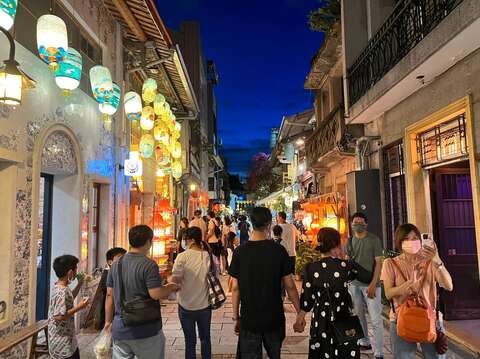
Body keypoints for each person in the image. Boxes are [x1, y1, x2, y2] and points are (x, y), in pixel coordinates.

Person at [229, 207, 301, 358]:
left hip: (249, 318)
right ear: (269, 224)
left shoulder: (240, 252)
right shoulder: (279, 251)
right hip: (274, 318)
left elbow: (235, 289)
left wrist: (235, 317)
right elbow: (290, 286)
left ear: (251, 223)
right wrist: (299, 312)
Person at [105, 225, 180, 359]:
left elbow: (110, 294)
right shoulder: (148, 265)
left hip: (121, 328)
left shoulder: (116, 264)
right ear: (148, 242)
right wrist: (170, 287)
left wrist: (108, 321)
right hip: (146, 329)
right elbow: (155, 293)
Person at [382, 223, 453, 359]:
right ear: (400, 242)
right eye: (406, 239)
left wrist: (437, 260)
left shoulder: (430, 262)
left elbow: (449, 286)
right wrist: (407, 286)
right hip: (401, 319)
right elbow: (388, 293)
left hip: (429, 318)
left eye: (415, 238)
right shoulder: (390, 263)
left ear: (421, 241)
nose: (411, 242)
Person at [294, 228, 360, 358]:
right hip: (342, 314)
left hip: (321, 317)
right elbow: (363, 276)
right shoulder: (345, 266)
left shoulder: (311, 268)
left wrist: (300, 318)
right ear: (336, 244)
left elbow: (308, 298)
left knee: (323, 349)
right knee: (344, 349)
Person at [345, 212, 384, 358]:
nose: (357, 224)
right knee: (359, 315)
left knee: (375, 319)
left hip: (371, 284)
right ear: (351, 224)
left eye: (361, 222)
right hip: (354, 284)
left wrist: (374, 283)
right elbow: (348, 263)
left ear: (366, 224)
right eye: (355, 222)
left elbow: (379, 263)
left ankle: (379, 351)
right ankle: (364, 341)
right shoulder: (349, 242)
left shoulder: (374, 240)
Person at [171, 227, 213, 359]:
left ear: (192, 240)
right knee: (205, 338)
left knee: (189, 341)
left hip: (186, 306)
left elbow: (175, 281)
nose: (184, 242)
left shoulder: (182, 257)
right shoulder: (206, 255)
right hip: (204, 306)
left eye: (185, 239)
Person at [48, 255, 89, 359]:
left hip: (68, 338)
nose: (77, 272)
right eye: (76, 269)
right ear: (70, 272)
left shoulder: (61, 287)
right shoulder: (61, 291)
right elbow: (58, 316)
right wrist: (79, 307)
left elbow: (70, 297)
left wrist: (79, 284)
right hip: (61, 343)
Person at [99, 247, 127, 329]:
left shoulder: (120, 273)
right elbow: (109, 294)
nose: (123, 260)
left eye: (125, 257)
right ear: (110, 262)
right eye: (120, 257)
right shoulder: (107, 274)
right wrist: (108, 320)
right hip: (110, 314)